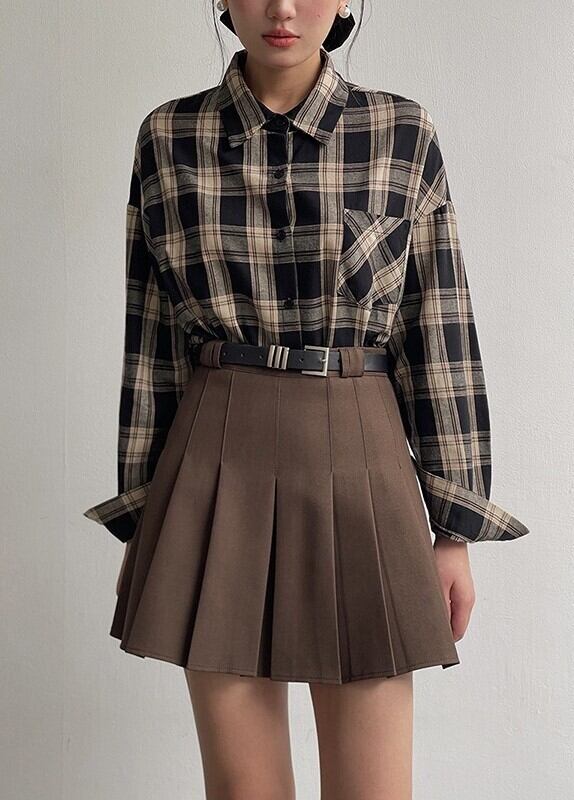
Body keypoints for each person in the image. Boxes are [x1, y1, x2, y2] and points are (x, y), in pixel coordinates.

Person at [83, 1, 530, 797]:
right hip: (213, 463)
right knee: (243, 790)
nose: (283, 9)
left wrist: (454, 528)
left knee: (372, 790)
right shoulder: (168, 136)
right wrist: (144, 515)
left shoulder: (400, 131)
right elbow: (150, 340)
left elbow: (438, 327)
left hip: (361, 459)